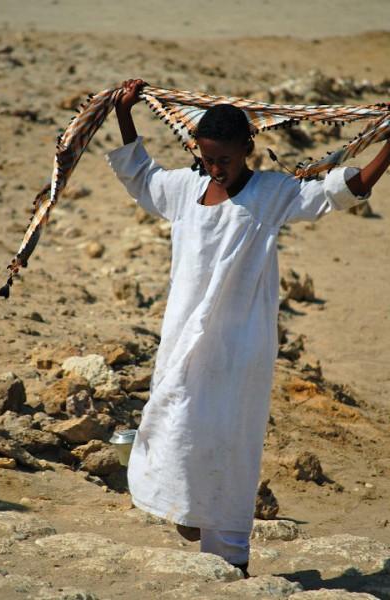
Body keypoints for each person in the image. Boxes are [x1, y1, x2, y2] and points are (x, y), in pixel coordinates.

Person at [106, 79, 390, 577]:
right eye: (209, 158)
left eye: (226, 160)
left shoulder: (272, 194)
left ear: (248, 150)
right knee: (175, 421)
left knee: (233, 442)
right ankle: (188, 514)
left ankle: (231, 559)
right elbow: (140, 175)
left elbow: (345, 190)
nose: (217, 168)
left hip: (240, 350)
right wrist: (124, 112)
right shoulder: (183, 189)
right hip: (183, 342)